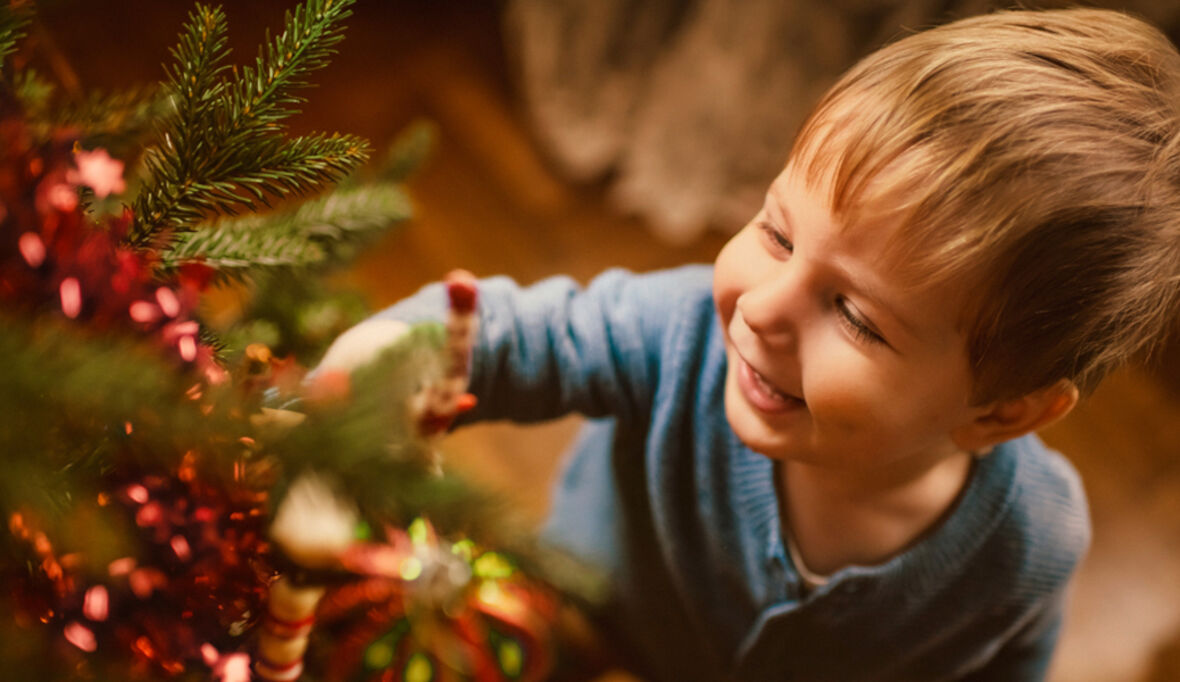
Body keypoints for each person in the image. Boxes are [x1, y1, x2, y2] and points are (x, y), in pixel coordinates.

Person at [318, 8, 1180, 680]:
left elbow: (1004, 668)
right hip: (577, 598)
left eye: (855, 316)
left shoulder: (1032, 541)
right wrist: (367, 376)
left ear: (1003, 412)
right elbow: (507, 336)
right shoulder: (675, 333)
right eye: (776, 232)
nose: (762, 311)